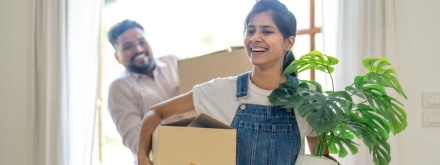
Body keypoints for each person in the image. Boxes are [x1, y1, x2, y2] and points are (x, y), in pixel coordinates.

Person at [138, 1, 336, 164]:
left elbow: (320, 157)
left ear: (289, 42)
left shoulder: (308, 98)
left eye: (266, 32)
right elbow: (155, 113)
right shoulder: (223, 90)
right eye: (251, 31)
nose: (255, 38)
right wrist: (142, 155)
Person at [107, 19, 182, 164]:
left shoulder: (176, 63)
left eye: (142, 42)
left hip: (199, 150)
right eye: (128, 47)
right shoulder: (119, 88)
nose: (139, 49)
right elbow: (135, 139)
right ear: (117, 57)